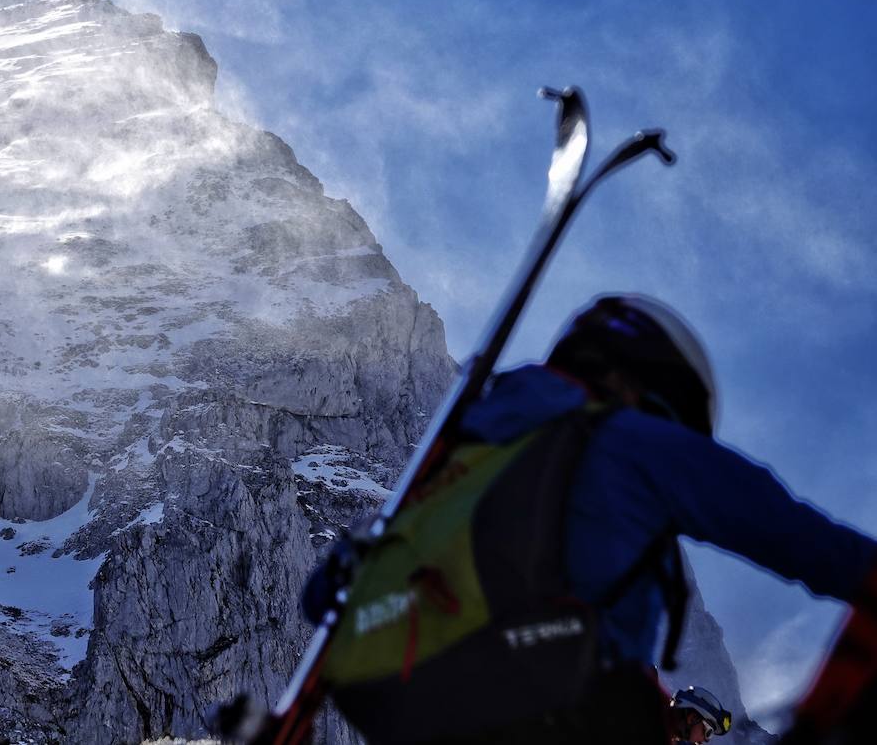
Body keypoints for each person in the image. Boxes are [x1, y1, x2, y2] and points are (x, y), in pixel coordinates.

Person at [306, 294, 877, 745]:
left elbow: (319, 597)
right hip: (558, 699)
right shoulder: (631, 440)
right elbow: (776, 522)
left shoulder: (458, 466)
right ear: (654, 381)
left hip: (407, 702)